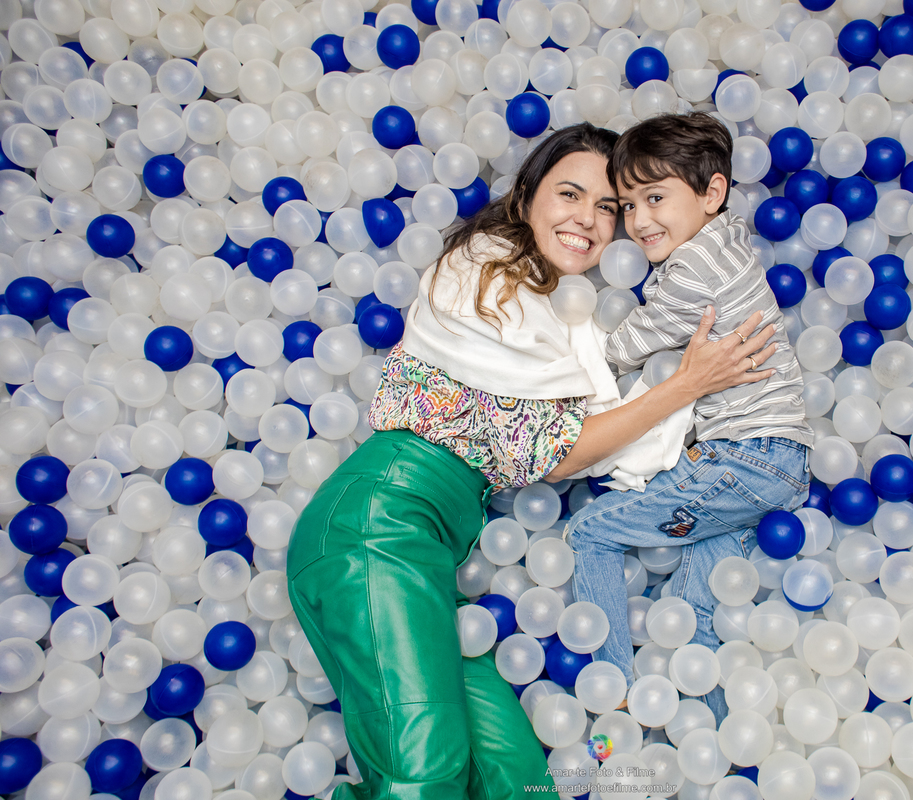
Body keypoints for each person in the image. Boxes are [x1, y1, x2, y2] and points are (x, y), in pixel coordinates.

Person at [286, 122, 778, 800]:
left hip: (432, 553)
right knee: (421, 778)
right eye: (569, 194)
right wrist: (687, 385)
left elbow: (585, 411)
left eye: (608, 207)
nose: (589, 219)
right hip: (374, 527)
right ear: (524, 197)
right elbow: (553, 452)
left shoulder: (560, 315)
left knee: (520, 784)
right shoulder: (483, 272)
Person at [567, 112, 815, 723]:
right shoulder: (727, 241)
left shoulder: (692, 269)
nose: (639, 221)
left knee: (591, 531)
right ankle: (709, 731)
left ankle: (615, 690)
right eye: (628, 205)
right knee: (695, 608)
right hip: (780, 459)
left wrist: (570, 363)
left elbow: (633, 343)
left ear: (712, 192)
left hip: (745, 457)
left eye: (655, 198)